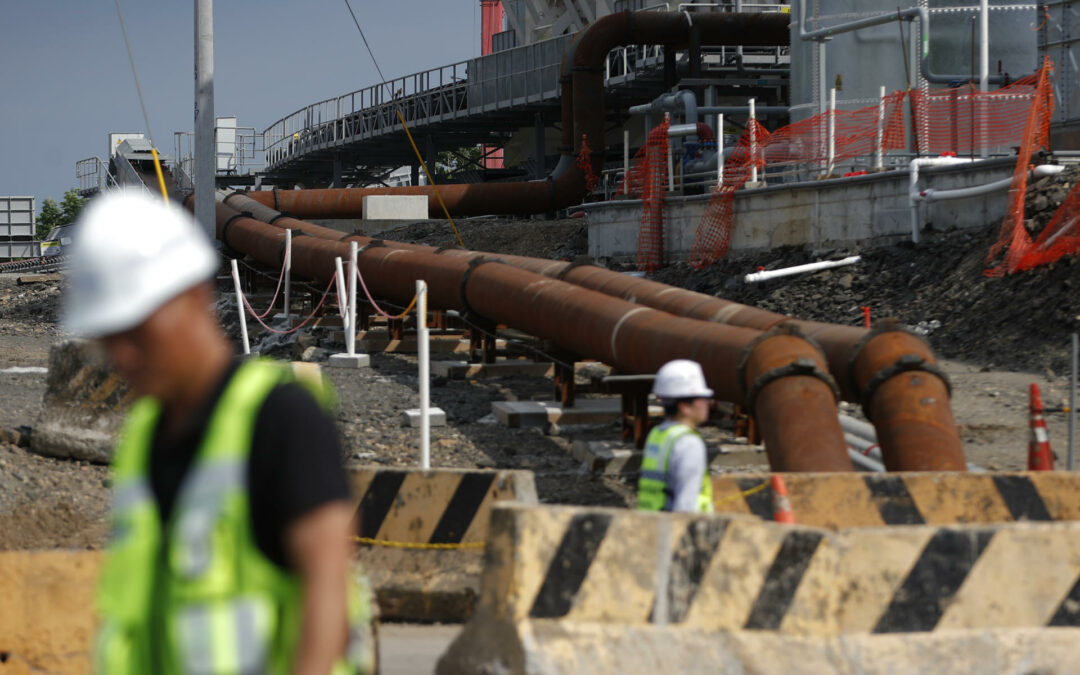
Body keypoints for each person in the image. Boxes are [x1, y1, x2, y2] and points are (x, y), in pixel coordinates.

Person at [64, 190, 373, 674]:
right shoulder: (145, 434)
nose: (122, 356)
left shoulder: (279, 417)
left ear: (193, 296)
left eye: (136, 330)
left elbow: (327, 599)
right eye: (109, 338)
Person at [637, 359, 715, 513]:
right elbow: (686, 504)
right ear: (684, 407)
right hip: (680, 530)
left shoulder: (658, 434)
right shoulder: (689, 443)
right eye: (702, 398)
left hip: (652, 525)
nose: (707, 403)